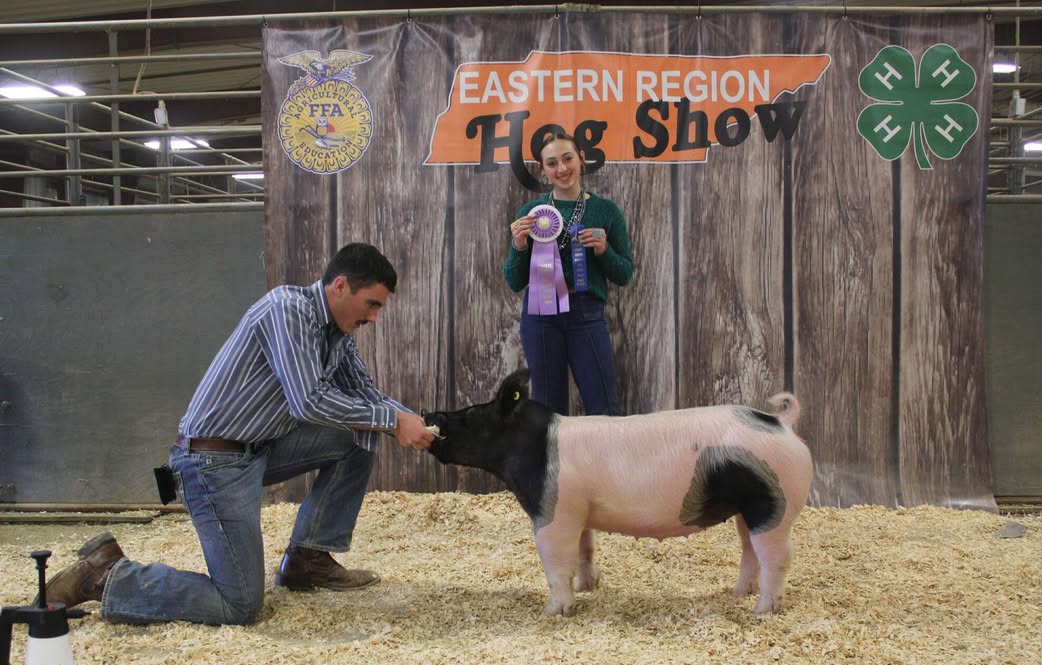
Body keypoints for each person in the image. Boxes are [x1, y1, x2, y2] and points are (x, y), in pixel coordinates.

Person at [41, 242, 434, 625]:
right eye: (373, 304)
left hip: (258, 450)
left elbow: (365, 396)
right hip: (213, 464)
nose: (375, 318)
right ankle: (108, 575)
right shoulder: (287, 309)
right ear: (341, 286)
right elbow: (309, 402)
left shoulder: (337, 334)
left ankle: (306, 560)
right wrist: (392, 421)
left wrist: (410, 419)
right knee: (239, 605)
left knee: (357, 437)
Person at [503, 131, 634, 416]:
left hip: (586, 315)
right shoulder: (531, 213)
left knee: (605, 409)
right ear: (543, 170)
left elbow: (624, 273)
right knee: (547, 411)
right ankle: (554, 463)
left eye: (567, 158)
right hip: (540, 317)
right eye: (552, 163)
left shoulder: (605, 211)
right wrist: (518, 244)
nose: (562, 169)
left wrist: (603, 251)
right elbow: (514, 281)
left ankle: (605, 462)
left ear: (581, 160)